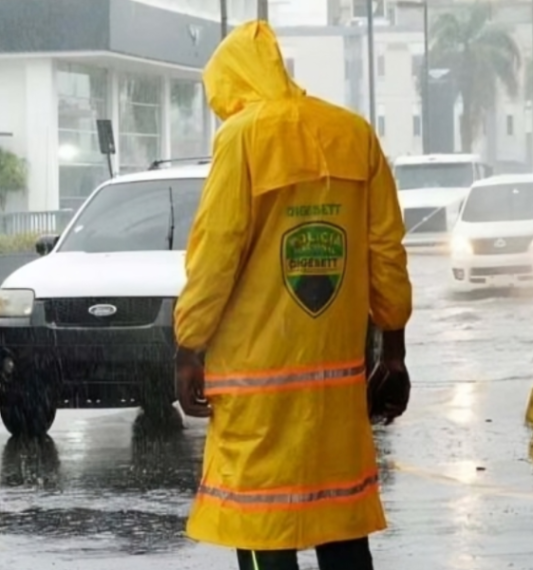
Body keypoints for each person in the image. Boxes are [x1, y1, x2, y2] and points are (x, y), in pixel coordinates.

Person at [172, 20, 413, 570]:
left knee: (264, 523)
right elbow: (386, 249)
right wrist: (393, 351)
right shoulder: (353, 134)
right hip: (337, 392)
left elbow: (215, 256)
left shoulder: (242, 138)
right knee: (341, 520)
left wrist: (188, 348)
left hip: (257, 395)